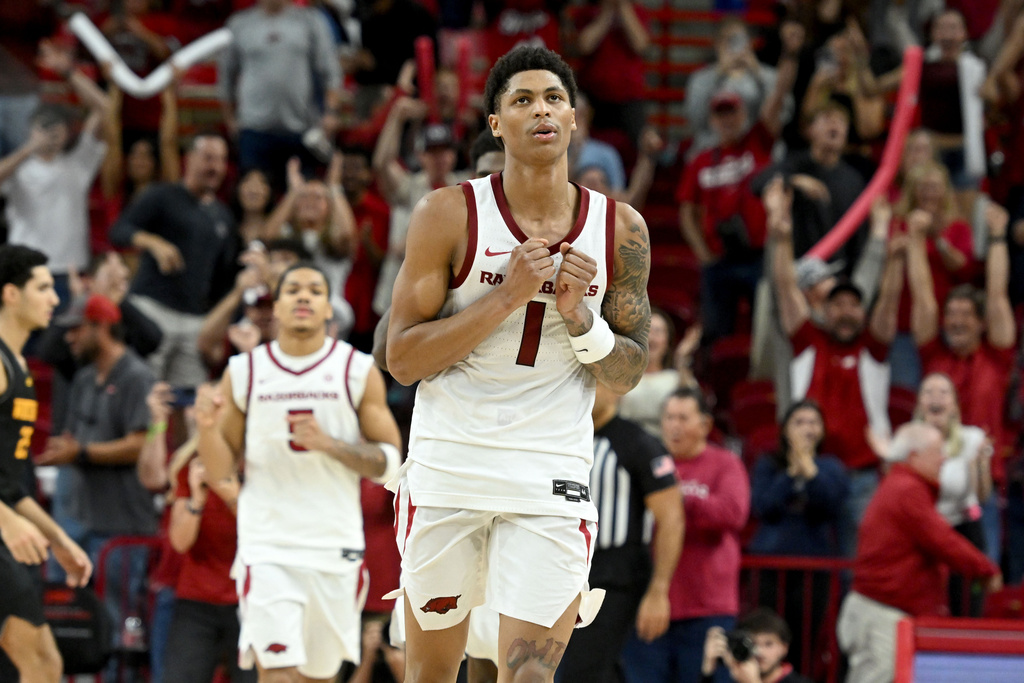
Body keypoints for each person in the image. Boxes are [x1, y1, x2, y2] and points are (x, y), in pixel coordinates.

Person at [384, 45, 652, 683]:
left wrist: (581, 322)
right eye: (523, 99)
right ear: (495, 123)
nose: (542, 110)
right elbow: (400, 359)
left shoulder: (620, 230)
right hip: (451, 464)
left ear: (575, 118)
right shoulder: (447, 213)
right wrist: (506, 297)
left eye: (554, 98)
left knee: (529, 677)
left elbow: (627, 372)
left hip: (550, 475)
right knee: (431, 677)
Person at [196, 262, 403, 682]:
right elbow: (220, 470)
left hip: (335, 545)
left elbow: (389, 463)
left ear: (329, 308)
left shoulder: (356, 370)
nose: (303, 297)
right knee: (279, 673)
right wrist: (205, 429)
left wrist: (330, 445)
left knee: (319, 677)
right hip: (268, 544)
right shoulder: (245, 372)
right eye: (292, 290)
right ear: (277, 305)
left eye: (314, 290)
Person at [765, 176, 903, 557]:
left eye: (853, 304)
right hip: (808, 469)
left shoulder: (873, 347)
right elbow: (784, 288)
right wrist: (781, 237)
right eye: (837, 304)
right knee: (806, 561)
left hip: (861, 475)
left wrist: (894, 259)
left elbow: (889, 301)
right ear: (824, 309)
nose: (845, 312)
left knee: (858, 563)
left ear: (863, 310)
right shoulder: (808, 341)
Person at [837, 423, 1001, 683]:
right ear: (914, 455)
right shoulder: (907, 491)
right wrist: (985, 569)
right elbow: (942, 540)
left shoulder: (902, 486)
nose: (944, 458)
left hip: (882, 611)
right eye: (937, 451)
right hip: (882, 615)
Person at [0, 245, 92, 682]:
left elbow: (12, 485)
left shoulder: (19, 366)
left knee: (38, 664)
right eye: (42, 288)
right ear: (10, 295)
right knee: (41, 663)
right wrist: (6, 521)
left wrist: (57, 539)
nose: (54, 298)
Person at [908, 200, 1015, 565]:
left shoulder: (996, 358)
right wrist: (914, 240)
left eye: (965, 316)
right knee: (929, 571)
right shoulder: (934, 356)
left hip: (979, 490)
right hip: (933, 486)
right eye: (951, 315)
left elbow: (998, 296)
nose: (955, 322)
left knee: (978, 569)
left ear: (981, 323)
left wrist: (998, 237)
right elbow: (923, 295)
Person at [555, 383, 684, 683]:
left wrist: (659, 590)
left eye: (594, 383)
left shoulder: (636, 442)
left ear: (617, 390)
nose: (585, 389)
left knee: (583, 672)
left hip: (616, 575)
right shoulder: (562, 438)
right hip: (567, 569)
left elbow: (672, 518)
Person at [622, 387, 749, 683]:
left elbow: (733, 513)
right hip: (650, 604)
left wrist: (678, 498)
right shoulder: (648, 464)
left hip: (707, 607)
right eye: (668, 418)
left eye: (683, 418)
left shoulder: (725, 463)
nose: (674, 426)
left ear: (704, 424)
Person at [110, 133, 240, 387]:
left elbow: (225, 277)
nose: (215, 167)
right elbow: (119, 230)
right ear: (189, 159)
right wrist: (152, 242)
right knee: (144, 392)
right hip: (151, 310)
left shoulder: (223, 217)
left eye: (221, 160)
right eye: (208, 158)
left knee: (190, 404)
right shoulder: (162, 196)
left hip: (195, 321)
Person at [0, 40, 110, 306]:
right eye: (44, 128)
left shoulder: (78, 162)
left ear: (66, 132)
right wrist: (29, 148)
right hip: (24, 271)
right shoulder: (18, 167)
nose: (50, 134)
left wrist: (69, 71)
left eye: (56, 128)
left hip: (68, 272)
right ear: (31, 129)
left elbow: (104, 109)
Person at [219, 0, 343, 185]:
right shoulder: (240, 24)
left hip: (301, 128)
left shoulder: (310, 21)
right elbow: (226, 77)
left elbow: (331, 72)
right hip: (254, 128)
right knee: (253, 195)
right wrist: (230, 119)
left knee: (301, 196)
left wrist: (330, 112)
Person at [618, 309, 699, 439]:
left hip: (664, 447)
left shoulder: (676, 378)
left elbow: (694, 403)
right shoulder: (621, 376)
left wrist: (681, 358)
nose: (652, 337)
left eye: (658, 331)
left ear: (667, 342)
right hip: (624, 443)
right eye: (646, 331)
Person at [701, 608, 813, 683]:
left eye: (768, 644)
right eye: (752, 644)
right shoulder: (736, 677)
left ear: (784, 648)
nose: (759, 652)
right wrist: (707, 670)